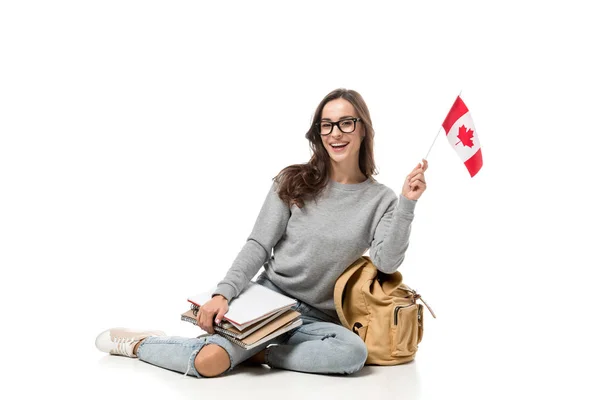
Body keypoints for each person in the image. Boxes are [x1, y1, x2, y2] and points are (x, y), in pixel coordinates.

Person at [95, 88, 428, 378]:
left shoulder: (381, 199)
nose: (335, 133)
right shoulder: (293, 181)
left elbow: (386, 261)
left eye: (346, 123)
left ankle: (258, 353)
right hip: (268, 304)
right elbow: (258, 244)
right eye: (326, 125)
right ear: (318, 132)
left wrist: (407, 204)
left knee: (352, 354)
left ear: (363, 129)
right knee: (208, 364)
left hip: (317, 323)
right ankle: (141, 344)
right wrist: (223, 294)